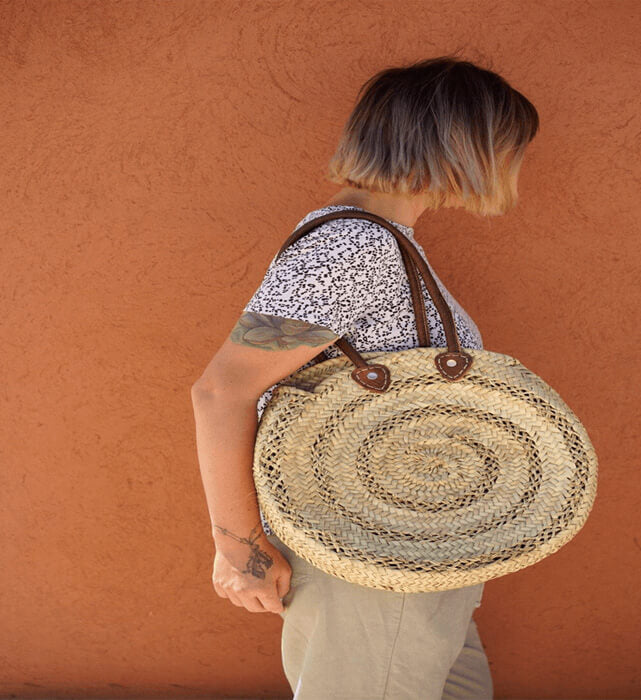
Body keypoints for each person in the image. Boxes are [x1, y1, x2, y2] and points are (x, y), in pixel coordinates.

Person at [191, 54, 538, 700]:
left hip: (411, 556)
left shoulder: (384, 243)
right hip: (373, 564)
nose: (509, 163)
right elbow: (221, 390)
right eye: (504, 145)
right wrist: (242, 549)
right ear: (457, 144)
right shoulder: (355, 250)